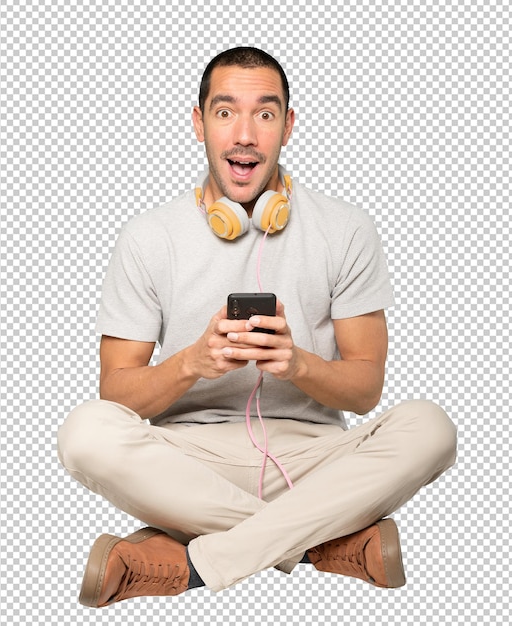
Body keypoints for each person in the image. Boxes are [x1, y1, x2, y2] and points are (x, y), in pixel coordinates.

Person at [57, 47, 457, 608]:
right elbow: (117, 391)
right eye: (225, 112)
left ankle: (196, 560)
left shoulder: (346, 228)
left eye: (265, 114)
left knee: (432, 427)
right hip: (187, 464)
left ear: (288, 126)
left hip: (317, 461)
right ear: (198, 123)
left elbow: (366, 390)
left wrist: (299, 364)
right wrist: (189, 364)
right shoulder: (148, 237)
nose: (244, 134)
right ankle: (324, 542)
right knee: (84, 433)